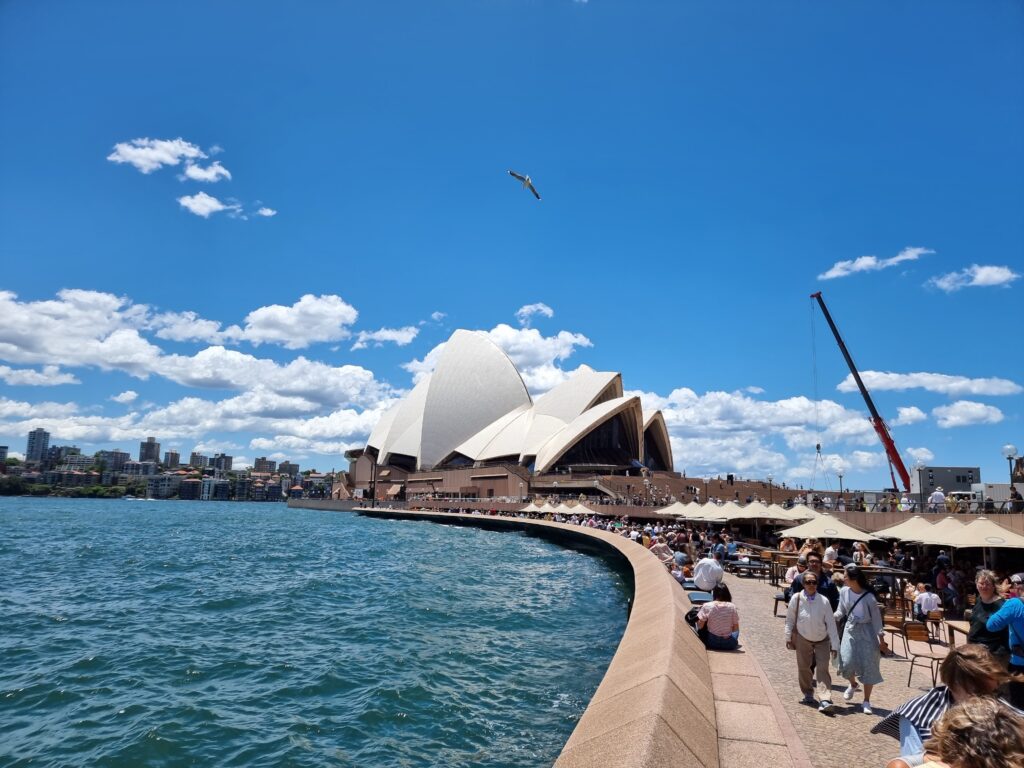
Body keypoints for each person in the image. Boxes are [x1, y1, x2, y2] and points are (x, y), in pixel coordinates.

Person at [873, 644, 1019, 765]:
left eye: (992, 693)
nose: (987, 701)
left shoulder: (1005, 714)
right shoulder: (916, 714)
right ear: (952, 684)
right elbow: (917, 761)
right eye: (979, 693)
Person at [785, 571, 840, 713]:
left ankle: (825, 698)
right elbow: (790, 619)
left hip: (822, 639)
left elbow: (831, 624)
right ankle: (808, 693)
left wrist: (835, 645)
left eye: (814, 582)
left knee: (823, 668)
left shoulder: (824, 601)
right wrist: (788, 637)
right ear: (803, 584)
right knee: (804, 668)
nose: (811, 585)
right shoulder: (796, 598)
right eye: (808, 582)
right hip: (803, 637)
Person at [834, 564, 887, 714]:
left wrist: (881, 640)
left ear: (853, 579)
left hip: (867, 631)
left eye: (845, 576)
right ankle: (852, 684)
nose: (843, 578)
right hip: (850, 629)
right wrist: (833, 617)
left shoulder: (869, 597)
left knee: (868, 664)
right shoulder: (844, 591)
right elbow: (841, 610)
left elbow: (877, 620)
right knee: (845, 660)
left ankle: (866, 701)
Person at [968, 569, 1009, 658]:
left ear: (993, 586)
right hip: (974, 650)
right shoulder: (978, 600)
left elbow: (1006, 631)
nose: (984, 586)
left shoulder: (1001, 605)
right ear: (976, 585)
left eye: (987, 584)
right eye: (981, 583)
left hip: (992, 653)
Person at [697, 583, 740, 651]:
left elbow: (700, 626)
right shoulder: (732, 607)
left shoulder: (707, 605)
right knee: (737, 630)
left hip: (711, 643)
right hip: (729, 644)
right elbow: (736, 628)